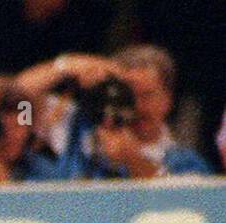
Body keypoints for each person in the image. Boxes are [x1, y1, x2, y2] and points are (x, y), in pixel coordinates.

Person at [17, 46, 212, 179]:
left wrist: (134, 161)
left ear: (168, 100)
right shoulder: (75, 127)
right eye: (129, 96)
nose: (138, 107)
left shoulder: (187, 162)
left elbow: (184, 207)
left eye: (148, 95)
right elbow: (19, 101)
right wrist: (66, 66)